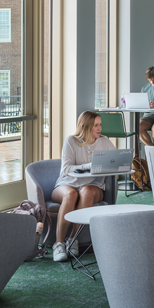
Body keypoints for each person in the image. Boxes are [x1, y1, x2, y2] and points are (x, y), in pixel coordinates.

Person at [51, 111, 117, 262]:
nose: (100, 128)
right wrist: (89, 166)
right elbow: (66, 169)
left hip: (93, 185)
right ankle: (59, 243)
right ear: (84, 126)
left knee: (87, 192)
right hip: (67, 184)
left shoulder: (105, 141)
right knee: (71, 194)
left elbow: (115, 161)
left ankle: (73, 239)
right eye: (96, 125)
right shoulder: (71, 141)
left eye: (100, 124)